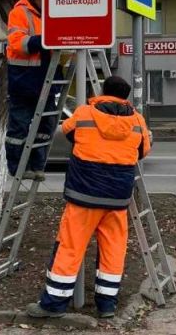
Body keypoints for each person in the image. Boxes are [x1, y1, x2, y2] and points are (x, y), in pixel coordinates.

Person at [26, 76, 152, 319]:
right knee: (113, 249)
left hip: (83, 194)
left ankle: (53, 304)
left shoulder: (85, 113)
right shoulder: (137, 120)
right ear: (125, 96)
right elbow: (143, 151)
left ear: (103, 91)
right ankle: (107, 305)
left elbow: (66, 132)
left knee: (70, 247)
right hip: (117, 198)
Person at [5, 0, 62, 181]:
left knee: (46, 126)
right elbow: (18, 44)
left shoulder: (49, 13)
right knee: (19, 128)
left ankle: (37, 166)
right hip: (24, 81)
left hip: (47, 79)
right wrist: (47, 39)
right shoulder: (19, 13)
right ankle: (18, 168)